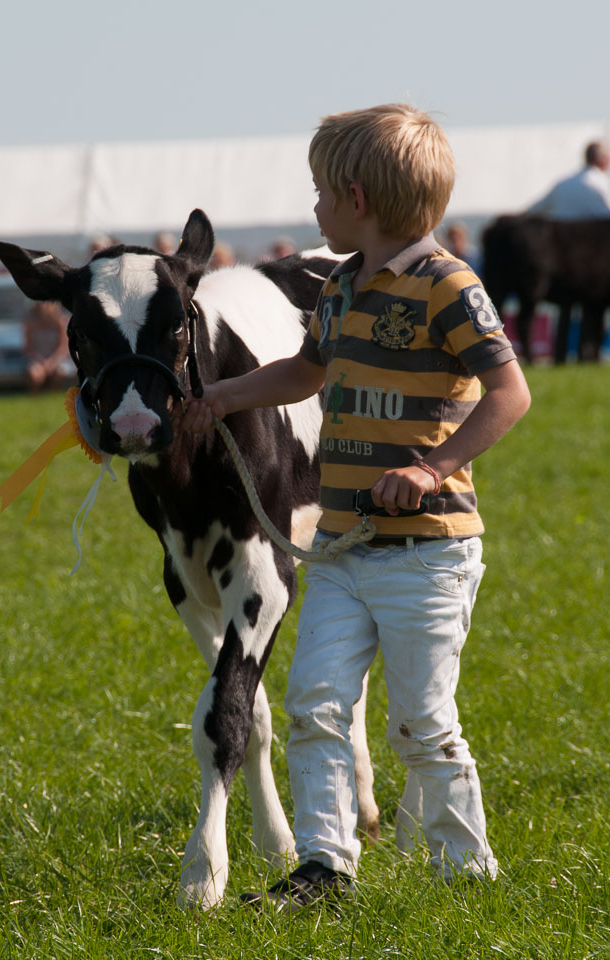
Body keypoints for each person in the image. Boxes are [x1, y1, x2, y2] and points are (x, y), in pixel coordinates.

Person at [183, 104, 531, 910]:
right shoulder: (340, 286)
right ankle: (324, 867)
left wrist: (437, 466)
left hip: (426, 554)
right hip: (341, 552)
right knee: (314, 705)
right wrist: (223, 393)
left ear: (356, 200)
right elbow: (305, 373)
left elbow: (511, 393)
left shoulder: (450, 285)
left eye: (318, 193)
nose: (312, 210)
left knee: (420, 724)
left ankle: (465, 874)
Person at [528, 141, 610, 219]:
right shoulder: (603, 185)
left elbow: (534, 210)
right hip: (596, 233)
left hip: (562, 233)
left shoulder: (562, 185)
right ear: (604, 161)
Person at [23, 300, 69, 391]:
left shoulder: (60, 322)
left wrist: (52, 361)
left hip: (56, 358)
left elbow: (63, 347)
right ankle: (35, 396)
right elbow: (28, 348)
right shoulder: (30, 323)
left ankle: (53, 395)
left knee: (59, 373)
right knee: (35, 374)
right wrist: (41, 361)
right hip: (37, 359)